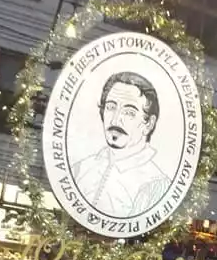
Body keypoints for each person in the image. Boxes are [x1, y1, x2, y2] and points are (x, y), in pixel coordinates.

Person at [70, 71, 172, 217]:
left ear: (149, 124)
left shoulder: (155, 184)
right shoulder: (80, 168)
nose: (115, 120)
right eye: (111, 107)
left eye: (129, 112)